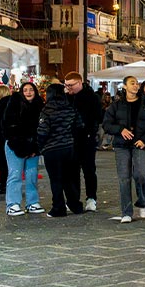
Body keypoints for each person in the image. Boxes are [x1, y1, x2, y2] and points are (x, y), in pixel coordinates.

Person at [101, 75, 145, 222]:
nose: (136, 85)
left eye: (137, 83)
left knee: (141, 174)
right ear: (125, 86)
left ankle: (142, 201)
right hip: (121, 145)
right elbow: (106, 124)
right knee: (124, 178)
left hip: (140, 144)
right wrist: (120, 130)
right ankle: (126, 212)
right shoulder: (116, 105)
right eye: (132, 83)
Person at [35, 81, 85, 217]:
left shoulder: (47, 111)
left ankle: (58, 207)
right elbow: (79, 125)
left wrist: (41, 146)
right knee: (69, 178)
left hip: (52, 149)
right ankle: (75, 205)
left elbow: (43, 132)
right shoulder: (70, 108)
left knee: (56, 179)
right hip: (69, 147)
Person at [3, 81, 45, 216]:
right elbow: (8, 127)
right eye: (25, 90)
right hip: (15, 146)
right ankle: (12, 204)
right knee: (15, 174)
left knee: (32, 175)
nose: (28, 92)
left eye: (31, 89)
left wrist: (35, 147)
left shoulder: (40, 105)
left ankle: (32, 202)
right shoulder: (14, 105)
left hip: (33, 146)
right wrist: (20, 145)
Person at [61, 71, 101, 212]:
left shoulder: (92, 97)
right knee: (73, 171)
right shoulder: (66, 97)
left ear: (79, 83)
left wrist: (91, 133)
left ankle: (91, 198)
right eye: (66, 85)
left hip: (87, 139)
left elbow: (97, 117)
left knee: (89, 170)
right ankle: (73, 199)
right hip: (70, 139)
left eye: (71, 85)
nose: (68, 88)